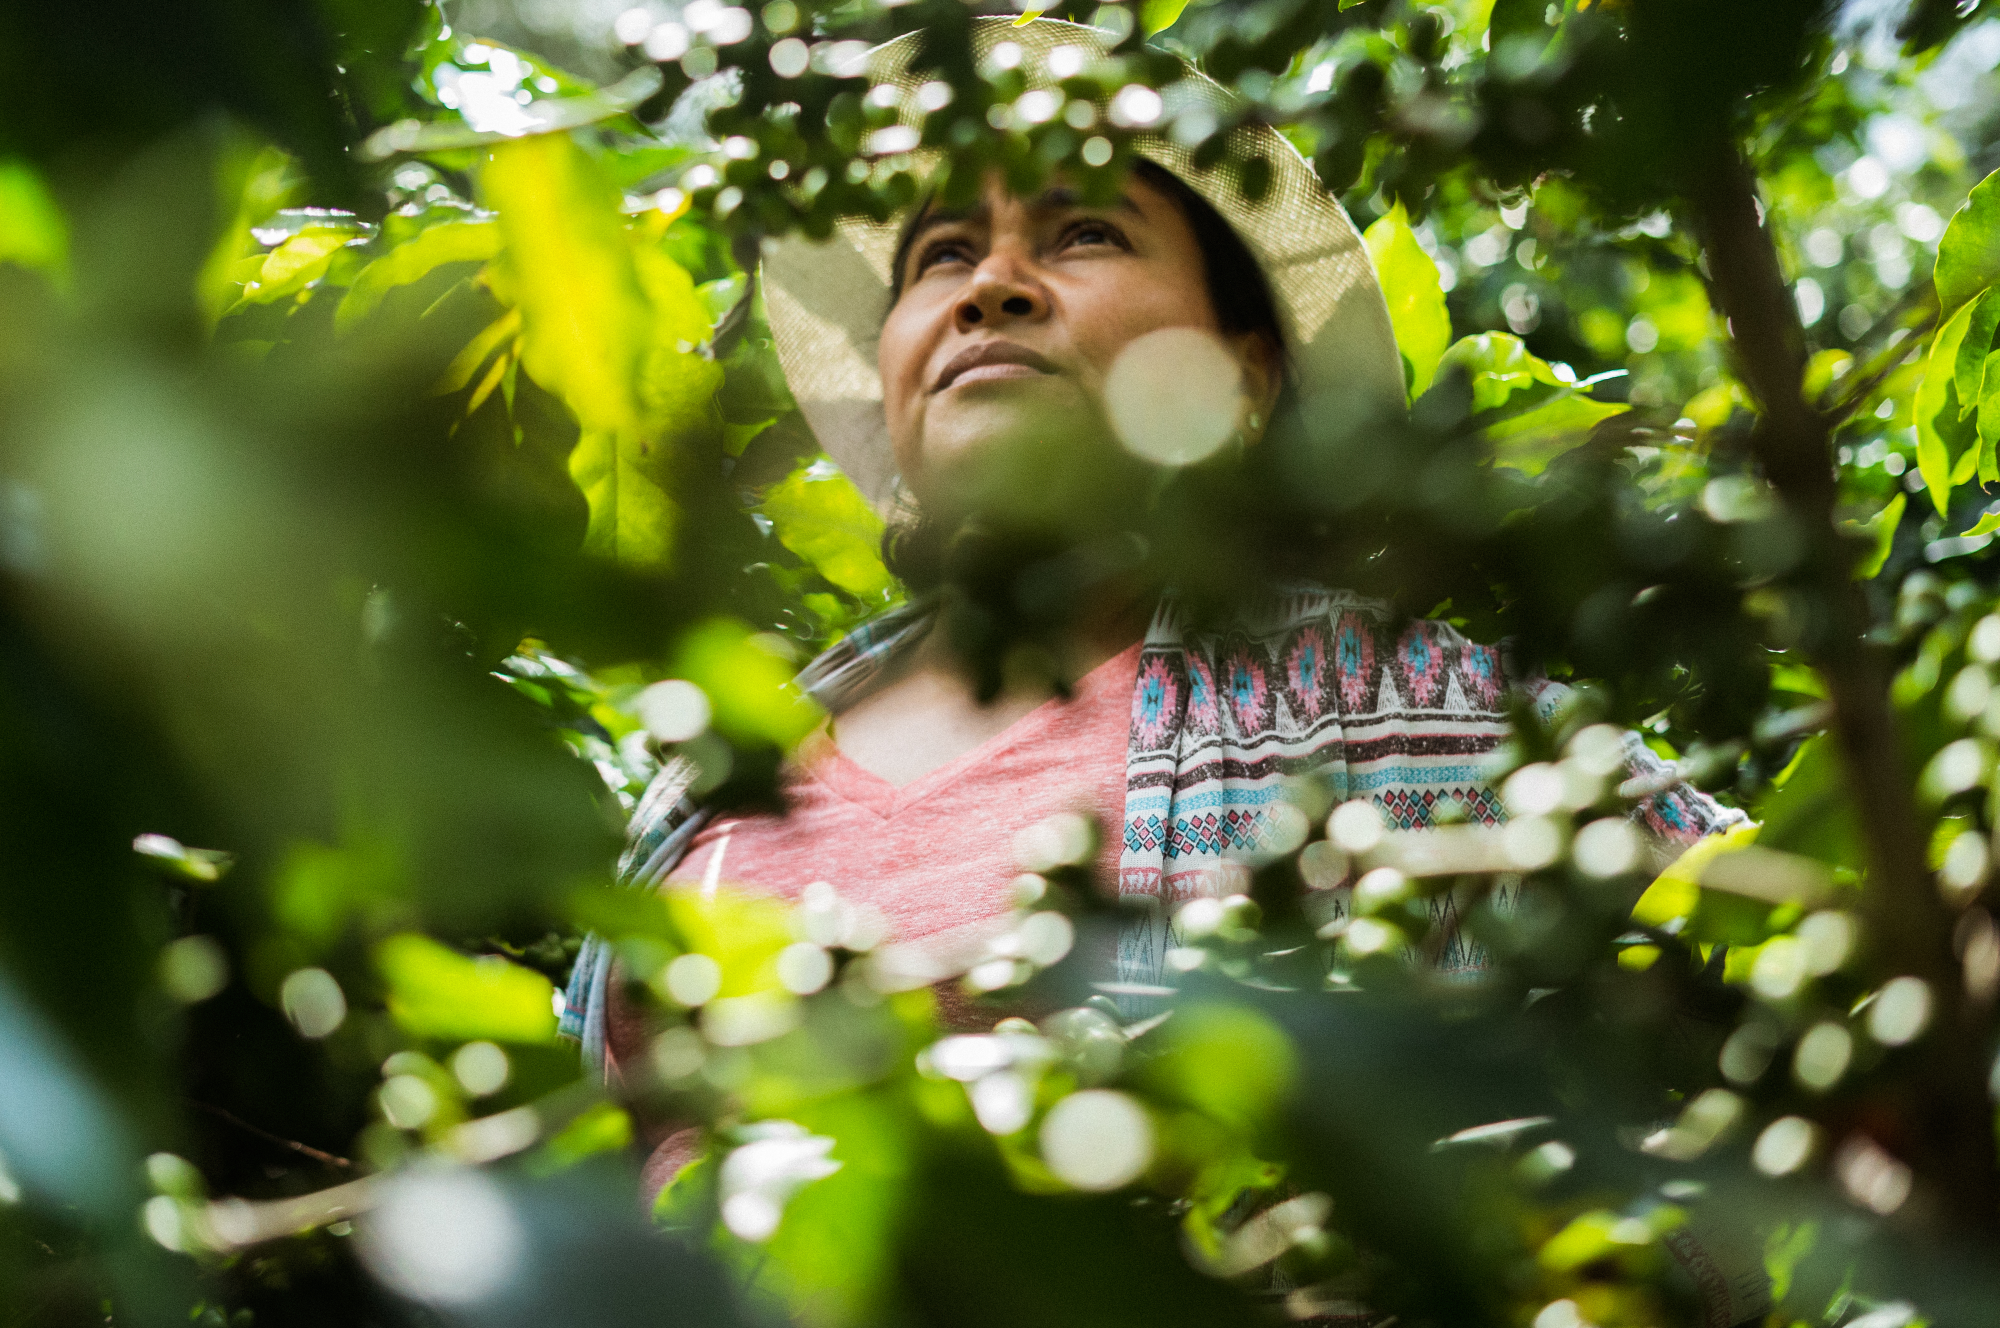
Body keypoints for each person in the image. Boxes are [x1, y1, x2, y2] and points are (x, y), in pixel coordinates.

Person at [560, 19, 1754, 1313]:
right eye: (944, 254)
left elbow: (1796, 985)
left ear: (1243, 382)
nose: (992, 286)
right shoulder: (713, 772)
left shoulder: (1383, 697)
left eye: (1086, 235)